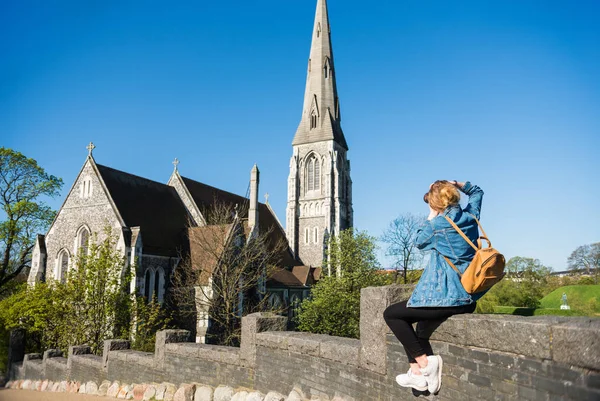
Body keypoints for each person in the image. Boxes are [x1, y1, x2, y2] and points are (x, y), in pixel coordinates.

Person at [383, 180, 484, 394]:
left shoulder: (438, 225)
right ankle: (417, 376)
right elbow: (477, 192)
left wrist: (431, 216)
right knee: (418, 327)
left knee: (392, 314)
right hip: (469, 298)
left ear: (435, 204)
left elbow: (419, 242)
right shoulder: (470, 216)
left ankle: (426, 364)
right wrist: (457, 183)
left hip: (450, 299)